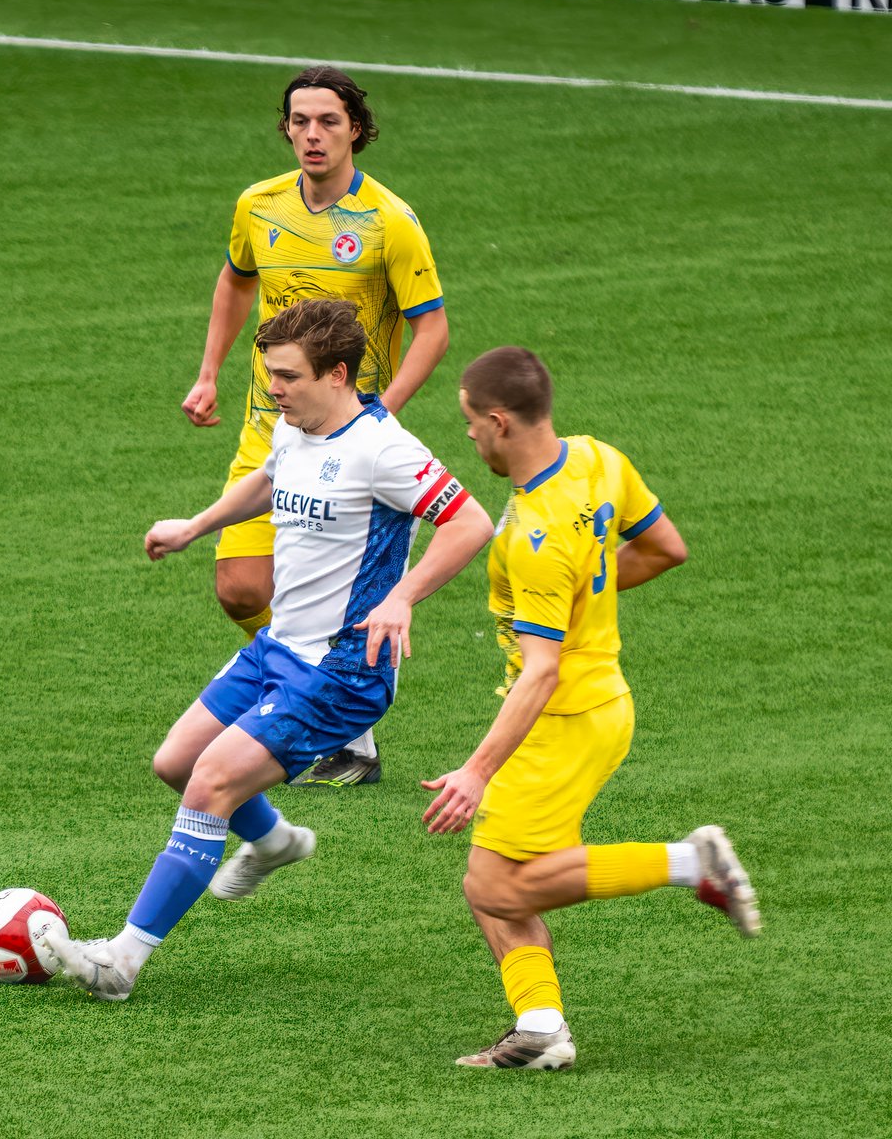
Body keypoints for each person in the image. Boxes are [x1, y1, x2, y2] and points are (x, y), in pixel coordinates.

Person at [44, 299, 493, 1001]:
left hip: (342, 671)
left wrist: (403, 596)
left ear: (338, 374)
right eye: (269, 374)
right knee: (177, 761)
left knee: (212, 782)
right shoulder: (294, 426)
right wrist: (197, 526)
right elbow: (270, 479)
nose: (273, 389)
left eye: (287, 376)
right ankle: (276, 840)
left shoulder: (385, 449)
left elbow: (471, 520)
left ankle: (122, 961)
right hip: (278, 647)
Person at [422, 347, 760, 1071]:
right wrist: (586, 603)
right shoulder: (598, 458)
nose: (469, 439)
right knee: (504, 884)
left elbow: (540, 672)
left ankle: (689, 862)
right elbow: (665, 548)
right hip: (604, 701)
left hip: (561, 721)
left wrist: (478, 770)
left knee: (491, 884)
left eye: (470, 425)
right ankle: (541, 1029)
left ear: (499, 421)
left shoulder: (535, 535)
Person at [181, 65, 450, 787]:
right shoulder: (258, 206)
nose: (311, 134)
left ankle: (336, 720)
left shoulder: (389, 221)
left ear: (356, 128)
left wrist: (380, 414)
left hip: (348, 449)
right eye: (299, 121)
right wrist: (208, 372)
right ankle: (314, 703)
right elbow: (238, 278)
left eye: (328, 121)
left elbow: (433, 330)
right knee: (239, 587)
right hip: (269, 431)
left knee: (332, 600)